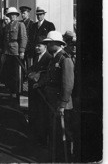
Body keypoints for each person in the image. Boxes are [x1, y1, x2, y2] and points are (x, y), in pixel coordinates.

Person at [42, 31, 75, 161]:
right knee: (54, 135)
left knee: (64, 136)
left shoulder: (64, 59)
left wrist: (62, 104)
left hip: (63, 106)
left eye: (49, 43)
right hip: (53, 103)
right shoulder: (54, 58)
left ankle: (63, 160)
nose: (47, 45)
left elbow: (67, 85)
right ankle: (55, 158)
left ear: (57, 43)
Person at [27, 40, 52, 146]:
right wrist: (29, 72)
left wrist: (38, 78)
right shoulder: (38, 57)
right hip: (35, 89)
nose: (36, 48)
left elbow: (47, 73)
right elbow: (34, 68)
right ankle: (35, 134)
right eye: (36, 46)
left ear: (45, 47)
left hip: (41, 89)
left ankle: (42, 139)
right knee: (35, 112)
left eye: (39, 46)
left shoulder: (48, 58)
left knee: (42, 114)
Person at [0, 7, 28, 98]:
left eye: (14, 14)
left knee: (17, 73)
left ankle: (18, 92)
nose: (12, 16)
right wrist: (4, 51)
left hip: (16, 51)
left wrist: (22, 51)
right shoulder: (8, 25)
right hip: (8, 52)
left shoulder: (20, 25)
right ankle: (12, 91)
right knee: (10, 72)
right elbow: (6, 40)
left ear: (16, 15)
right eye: (10, 15)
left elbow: (23, 38)